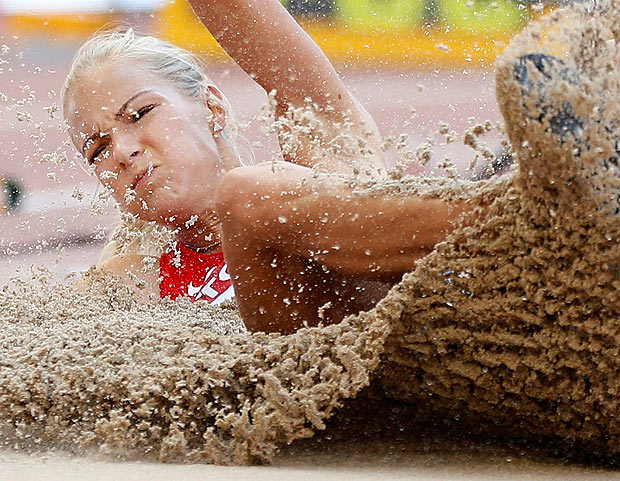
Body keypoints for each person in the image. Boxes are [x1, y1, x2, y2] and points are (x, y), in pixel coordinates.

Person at [63, 0, 471, 333]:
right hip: (315, 415)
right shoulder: (128, 277)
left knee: (249, 196)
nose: (122, 151)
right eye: (97, 150)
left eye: (141, 113)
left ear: (212, 107)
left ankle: (506, 216)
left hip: (428, 330)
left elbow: (242, 15)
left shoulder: (319, 164)